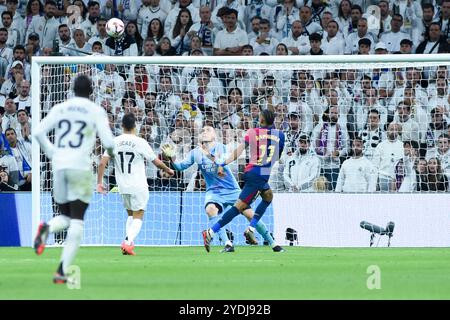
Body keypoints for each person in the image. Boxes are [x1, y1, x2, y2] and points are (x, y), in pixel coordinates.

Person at [32, 74, 115, 284]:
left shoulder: (61, 107)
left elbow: (38, 131)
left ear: (71, 89)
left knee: (66, 216)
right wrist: (112, 152)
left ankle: (47, 228)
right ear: (91, 92)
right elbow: (108, 141)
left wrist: (51, 152)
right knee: (77, 220)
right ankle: (61, 271)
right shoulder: (96, 111)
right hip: (80, 167)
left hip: (58, 166)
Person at [162, 125, 282, 252]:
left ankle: (273, 243)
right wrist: (172, 157)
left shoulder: (222, 147)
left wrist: (207, 154)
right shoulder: (195, 153)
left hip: (232, 190)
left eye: (208, 130)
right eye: (202, 130)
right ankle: (227, 244)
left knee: (250, 215)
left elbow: (221, 162)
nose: (204, 132)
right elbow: (180, 167)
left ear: (214, 136)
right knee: (210, 209)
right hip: (214, 191)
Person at [201, 109, 285, 253]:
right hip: (263, 173)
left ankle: (251, 229)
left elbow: (238, 151)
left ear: (262, 120)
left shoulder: (252, 132)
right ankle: (211, 232)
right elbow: (276, 157)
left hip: (253, 172)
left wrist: (223, 163)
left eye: (259, 117)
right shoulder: (281, 135)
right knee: (239, 208)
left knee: (268, 196)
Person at [97, 113, 174, 256]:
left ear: (122, 126)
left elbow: (102, 162)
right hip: (138, 185)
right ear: (135, 126)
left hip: (123, 186)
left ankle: (128, 243)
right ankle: (127, 242)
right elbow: (155, 161)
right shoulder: (140, 142)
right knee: (139, 215)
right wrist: (168, 169)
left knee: (131, 215)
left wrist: (99, 183)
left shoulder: (113, 141)